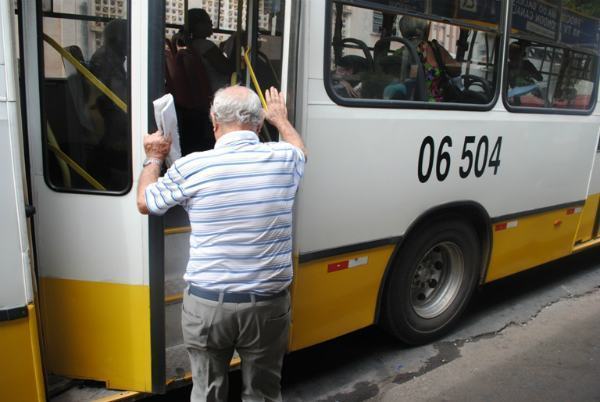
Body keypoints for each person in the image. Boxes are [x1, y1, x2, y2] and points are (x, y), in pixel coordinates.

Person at [137, 86, 306, 401]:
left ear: (213, 120)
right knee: (264, 393)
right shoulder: (285, 159)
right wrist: (281, 120)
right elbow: (300, 150)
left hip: (207, 306)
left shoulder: (192, 167)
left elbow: (146, 202)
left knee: (208, 392)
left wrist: (153, 157)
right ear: (258, 125)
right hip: (267, 306)